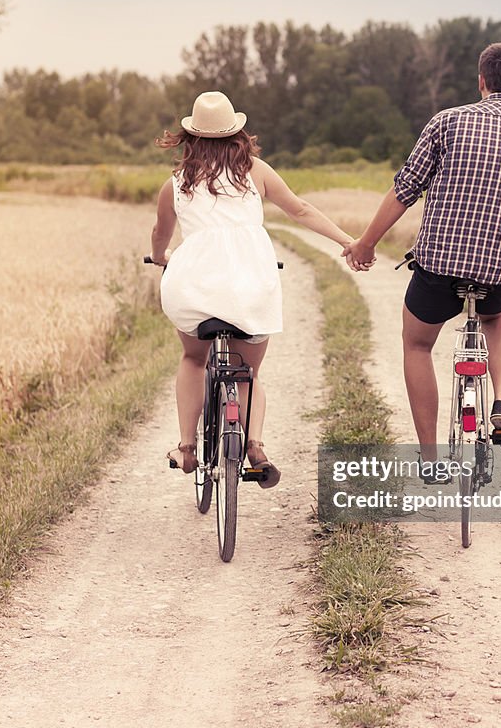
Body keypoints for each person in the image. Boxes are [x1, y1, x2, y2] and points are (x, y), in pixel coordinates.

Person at [342, 43, 501, 460]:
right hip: (499, 271)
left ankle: (428, 456)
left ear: (481, 81)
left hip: (439, 268)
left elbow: (404, 190)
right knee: (498, 317)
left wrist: (366, 244)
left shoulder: (446, 122)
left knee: (418, 344)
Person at [150, 90, 353, 485]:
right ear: (236, 134)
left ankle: (187, 448)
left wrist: (160, 256)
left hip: (193, 289)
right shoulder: (256, 171)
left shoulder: (174, 184)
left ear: (191, 137)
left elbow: (161, 234)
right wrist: (347, 241)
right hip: (250, 287)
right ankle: (255, 446)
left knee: (193, 359)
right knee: (248, 372)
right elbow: (301, 210)